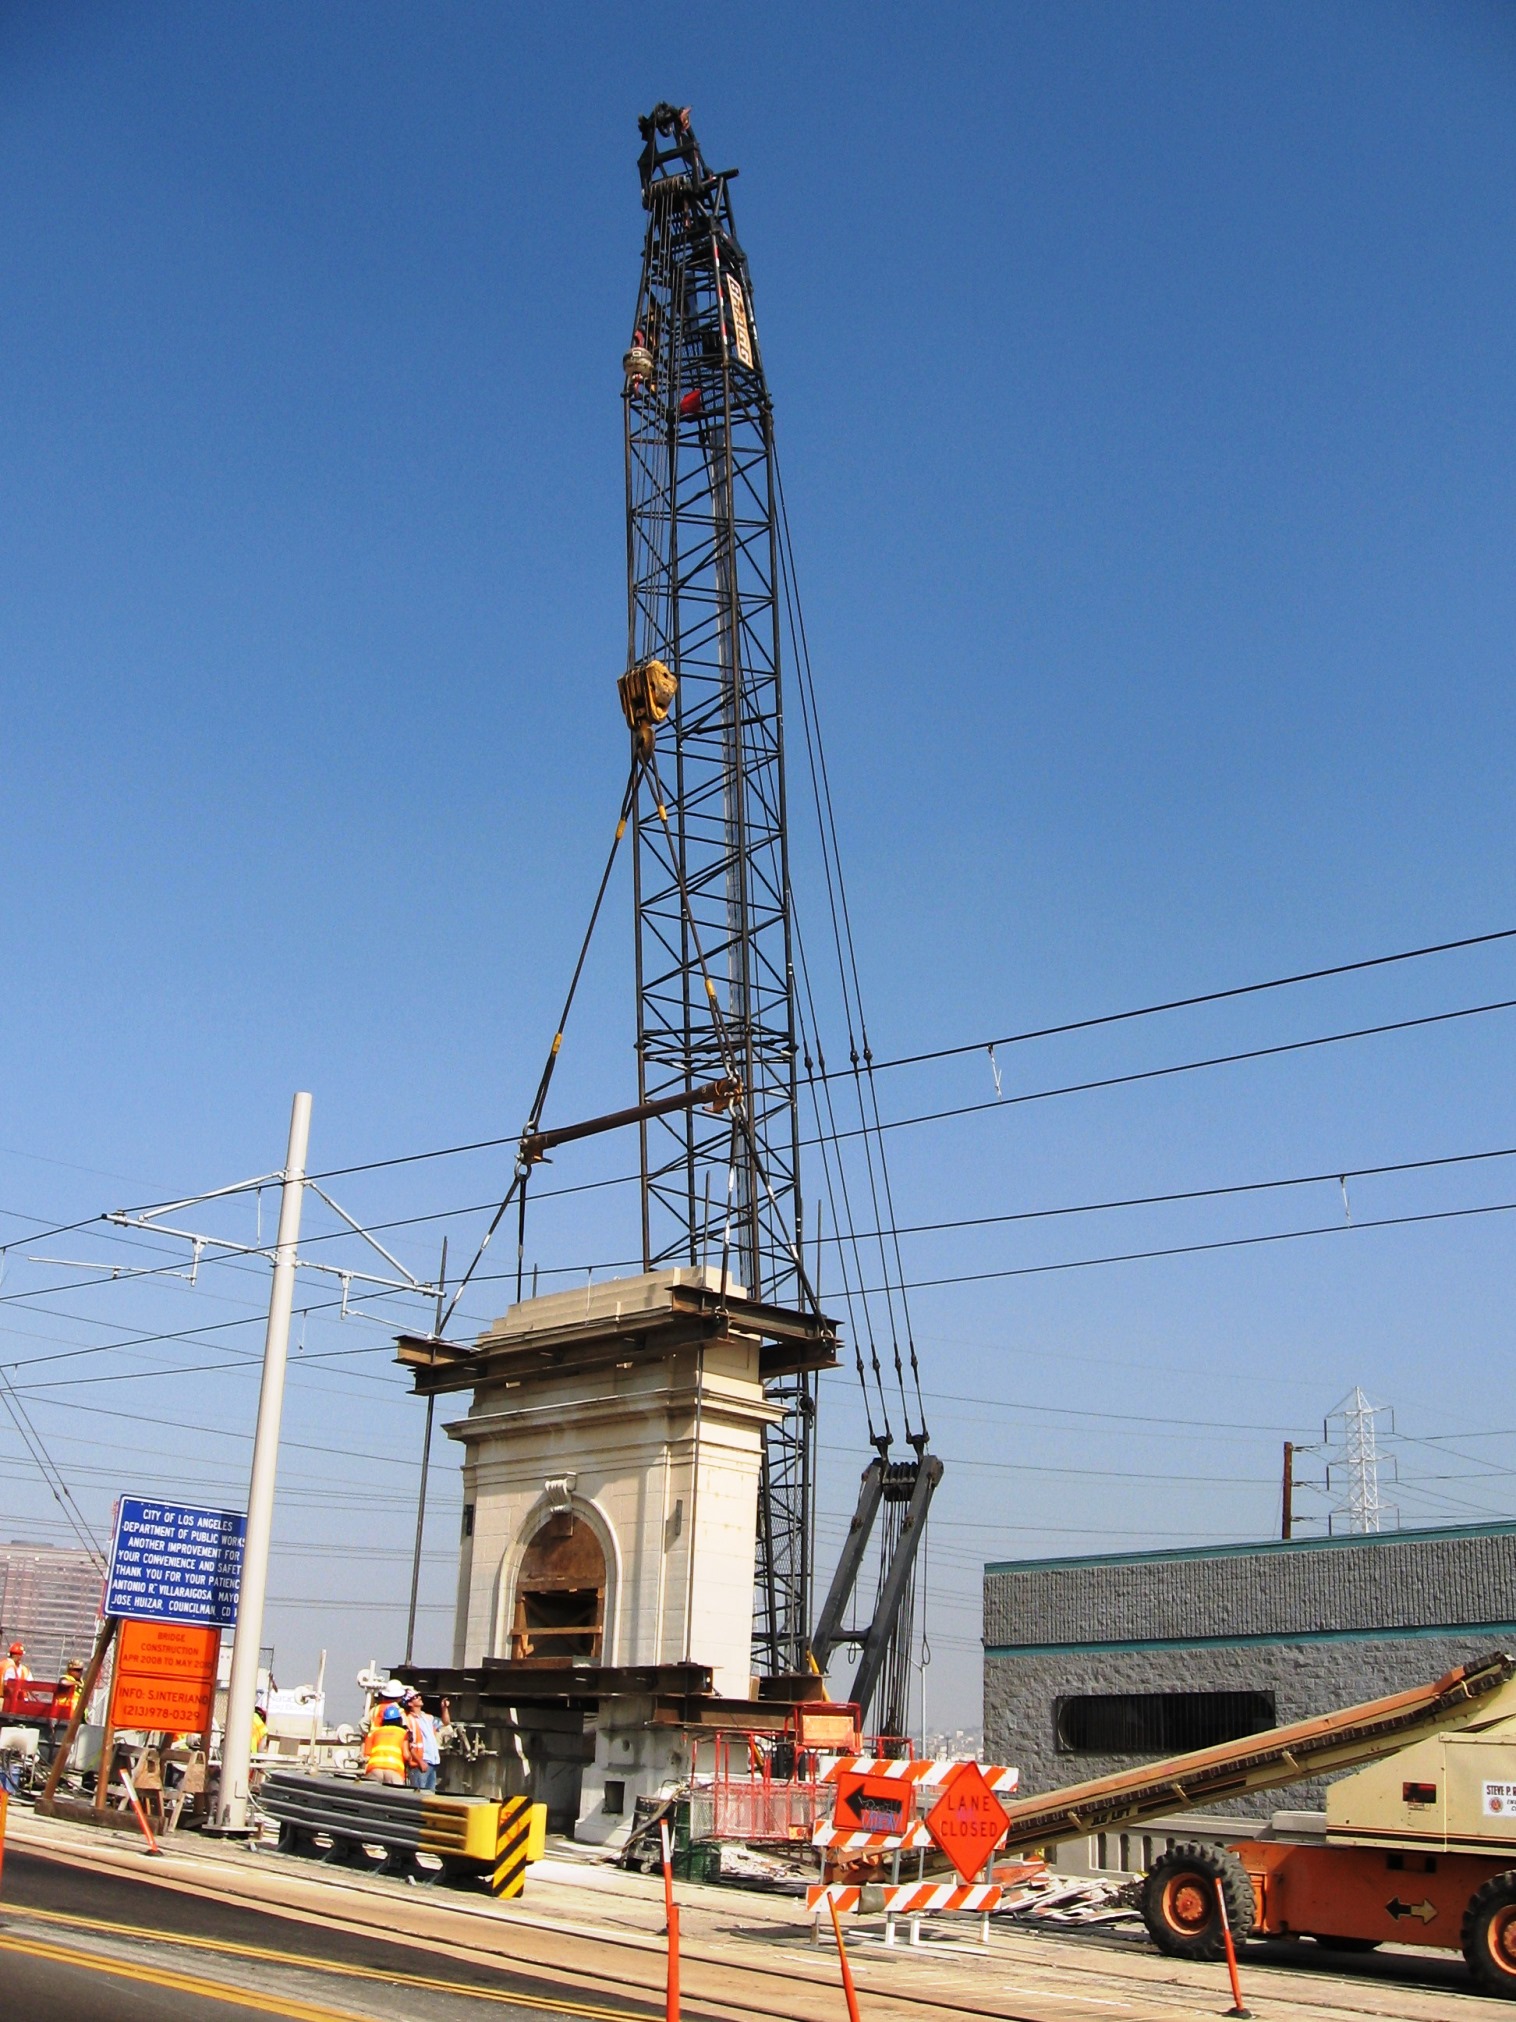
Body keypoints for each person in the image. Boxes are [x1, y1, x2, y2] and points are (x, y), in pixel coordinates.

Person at [361, 1685, 409, 1786]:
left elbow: (362, 1724)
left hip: (374, 1764)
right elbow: (406, 1754)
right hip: (394, 1768)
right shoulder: (399, 1713)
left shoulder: (375, 1710)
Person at [403, 1690, 440, 1793]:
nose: (419, 1697)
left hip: (432, 1762)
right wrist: (420, 1761)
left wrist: (444, 1708)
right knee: (420, 1794)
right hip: (420, 1764)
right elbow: (410, 1744)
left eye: (418, 1696)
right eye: (415, 1697)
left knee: (430, 1795)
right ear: (410, 1703)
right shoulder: (409, 1720)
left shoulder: (427, 1718)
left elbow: (446, 1722)